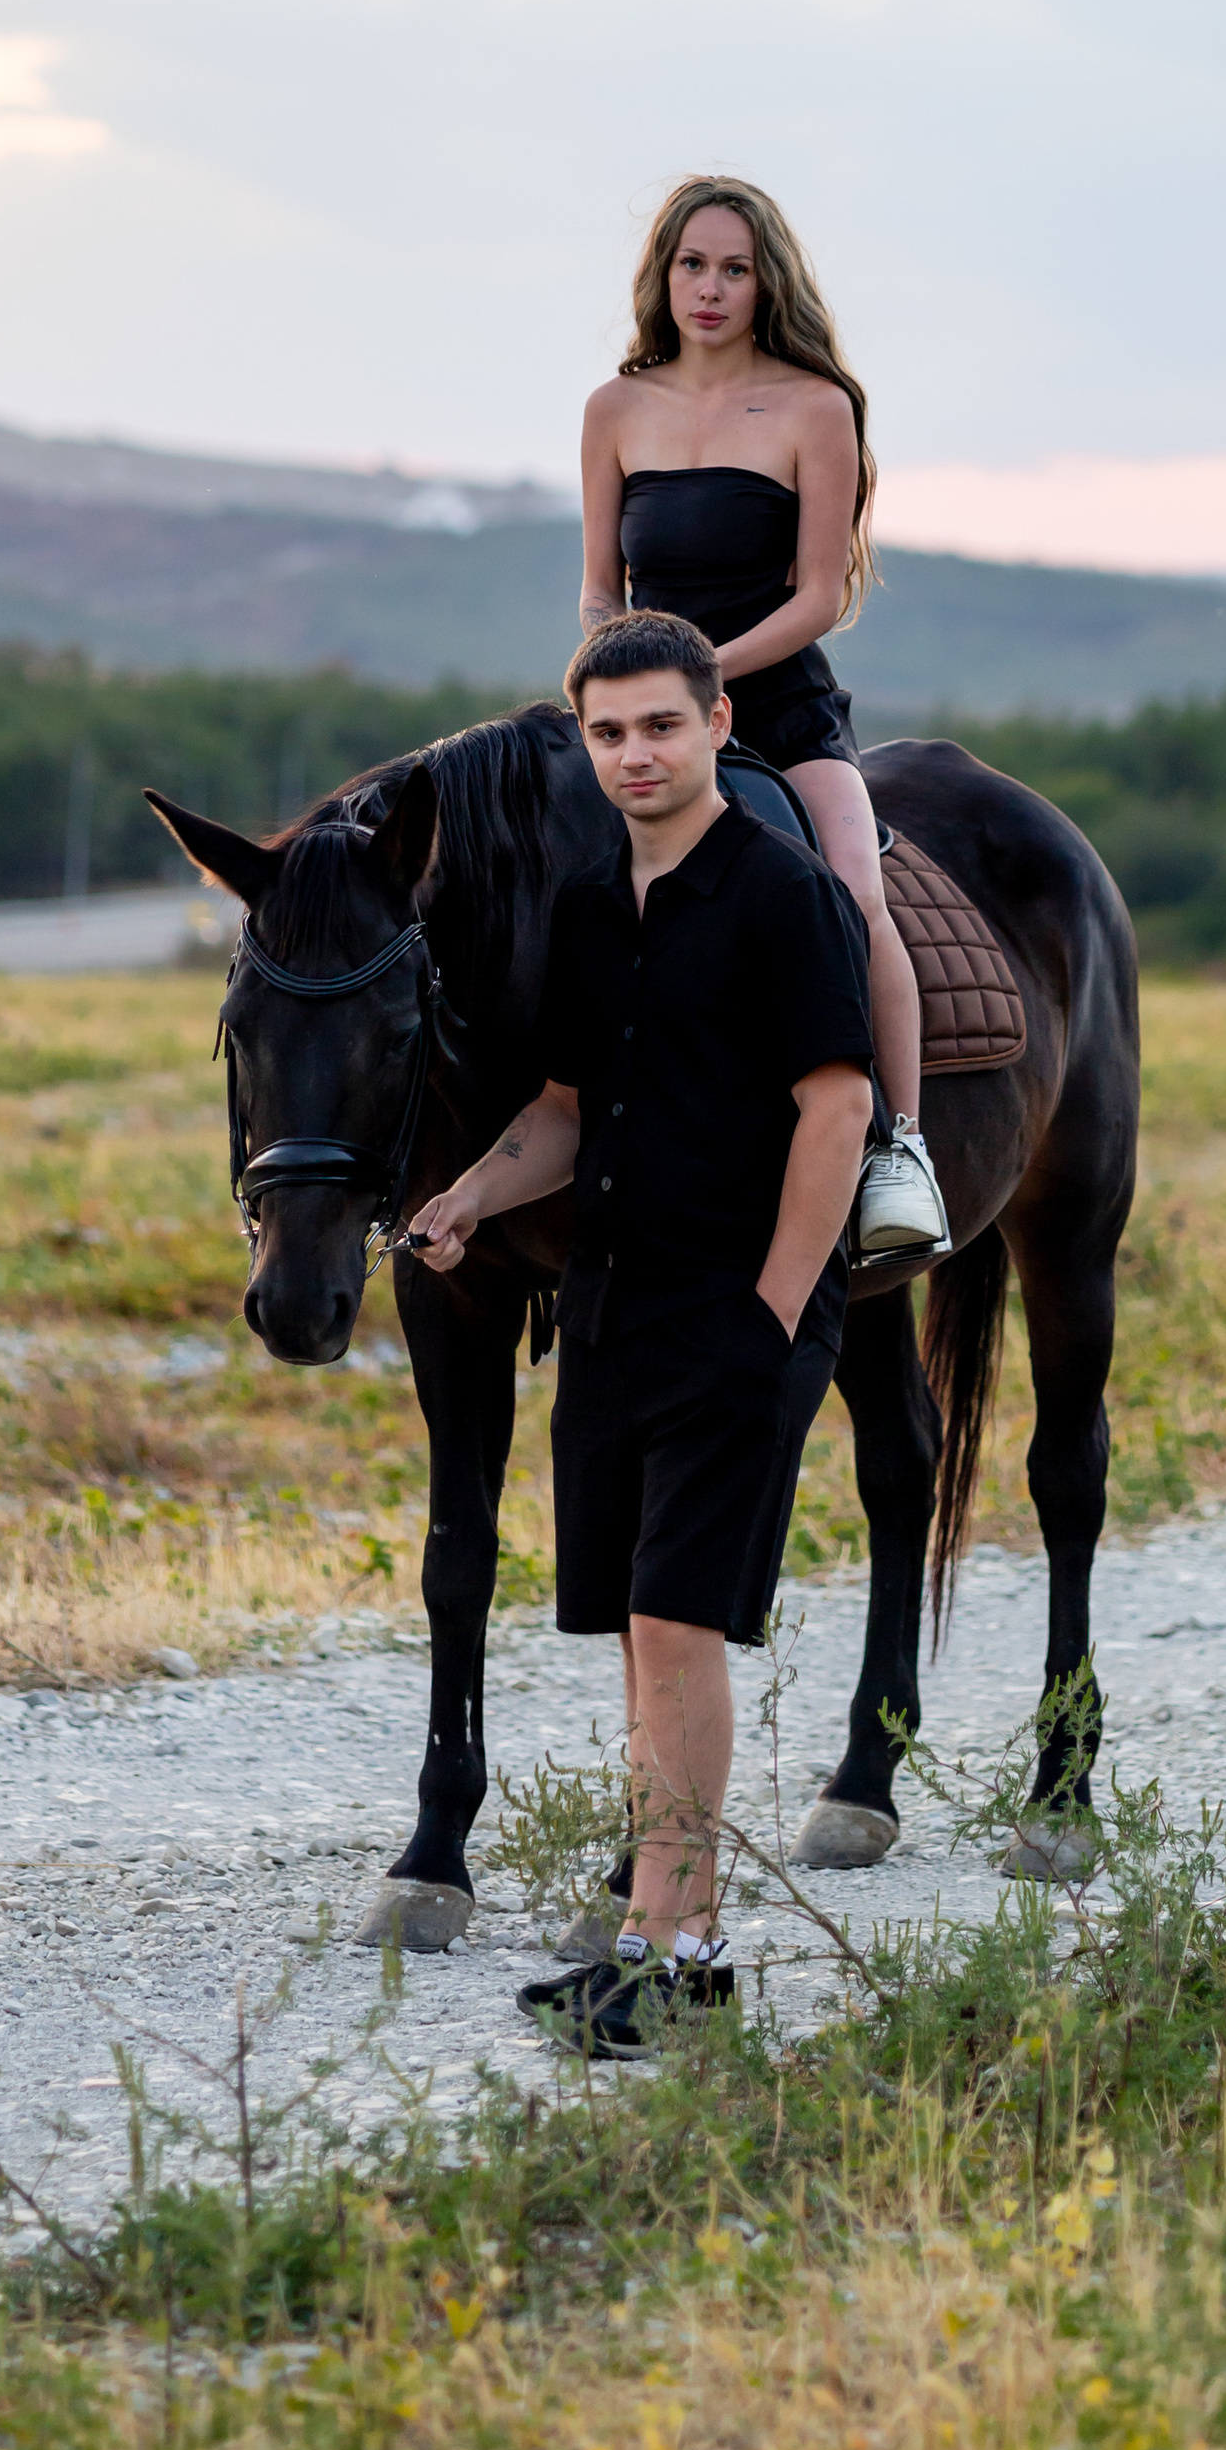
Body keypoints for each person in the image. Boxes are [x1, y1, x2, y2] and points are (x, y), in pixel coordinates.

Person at [404, 610, 874, 2059]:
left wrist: (777, 1308)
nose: (634, 755)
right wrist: (468, 1201)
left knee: (679, 1628)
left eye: (660, 725)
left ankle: (687, 1951)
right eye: (607, 733)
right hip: (606, 1307)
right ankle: (651, 1946)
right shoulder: (593, 910)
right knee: (635, 1641)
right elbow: (560, 1113)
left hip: (735, 1311)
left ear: (718, 724)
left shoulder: (782, 895)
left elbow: (838, 1108)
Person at [580, 173, 948, 1263]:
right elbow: (603, 585)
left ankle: (900, 1154)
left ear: (764, 280)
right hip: (642, 709)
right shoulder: (616, 407)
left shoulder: (811, 406)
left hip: (776, 705)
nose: (710, 287)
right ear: (664, 274)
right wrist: (613, 678)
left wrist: (701, 675)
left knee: (850, 886)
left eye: (734, 268)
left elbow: (818, 595)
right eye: (692, 264)